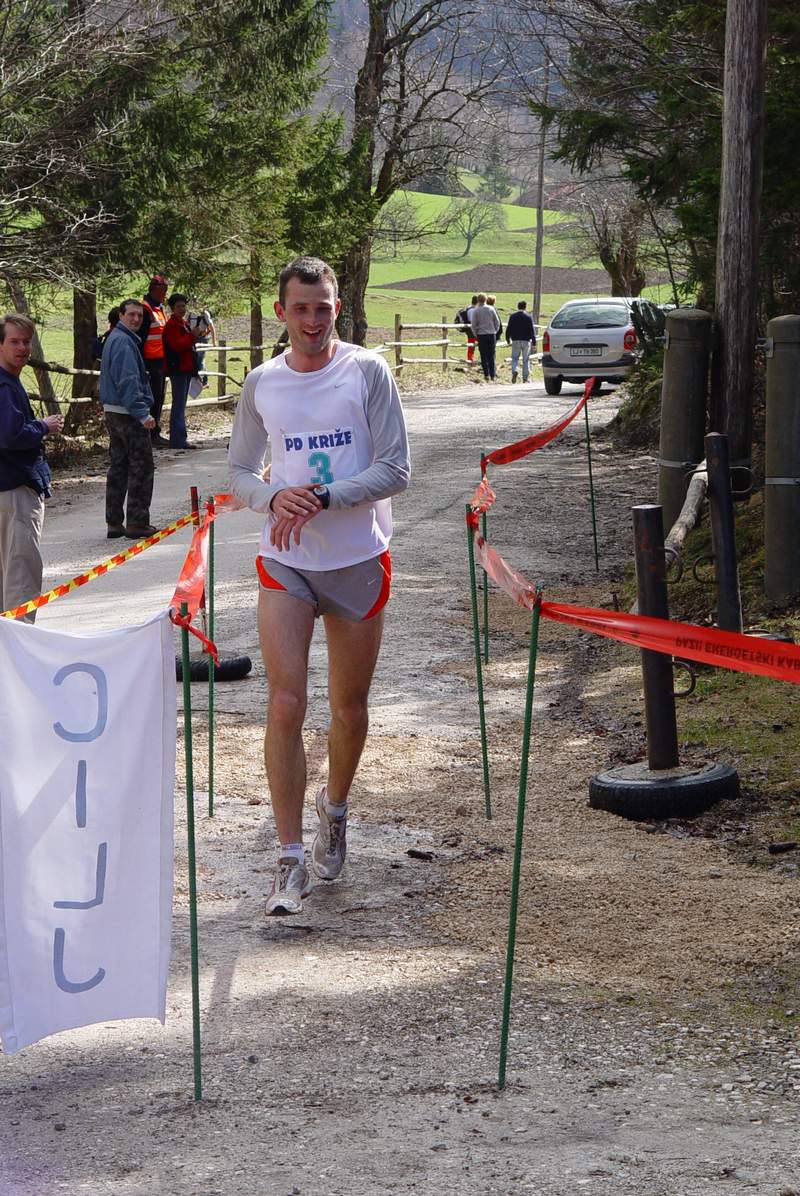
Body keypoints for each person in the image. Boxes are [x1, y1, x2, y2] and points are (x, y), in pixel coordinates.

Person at [228, 255, 410, 916]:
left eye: (323, 308)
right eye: (300, 309)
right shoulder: (262, 383)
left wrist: (325, 497)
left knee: (348, 709)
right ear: (281, 312)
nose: (312, 321)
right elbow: (239, 473)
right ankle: (289, 858)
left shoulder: (367, 371)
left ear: (338, 308)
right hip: (287, 562)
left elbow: (397, 469)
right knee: (284, 702)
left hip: (358, 558)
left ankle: (334, 810)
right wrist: (274, 497)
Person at [0, 314, 64, 620]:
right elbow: (10, 435)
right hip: (15, 491)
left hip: (10, 488)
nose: (22, 348)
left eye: (26, 342)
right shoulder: (4, 386)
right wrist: (43, 426)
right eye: (14, 341)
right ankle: (20, 643)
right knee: (20, 576)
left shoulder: (9, 382)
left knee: (8, 574)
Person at [99, 299, 158, 539]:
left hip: (113, 411)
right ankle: (137, 522)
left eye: (140, 316)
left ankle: (114, 521)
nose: (136, 319)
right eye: (131, 314)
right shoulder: (124, 342)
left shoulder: (115, 338)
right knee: (141, 467)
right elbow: (128, 381)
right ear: (121, 315)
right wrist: (142, 413)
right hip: (128, 412)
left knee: (119, 465)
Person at [163, 293, 204, 449]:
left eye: (183, 306)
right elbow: (178, 345)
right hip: (178, 369)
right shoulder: (172, 325)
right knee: (179, 404)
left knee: (181, 404)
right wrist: (192, 336)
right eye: (179, 306)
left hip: (185, 368)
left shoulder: (183, 323)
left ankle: (179, 439)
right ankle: (178, 440)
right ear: (172, 308)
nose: (182, 309)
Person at [139, 273, 170, 447]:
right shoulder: (145, 309)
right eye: (162, 290)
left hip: (160, 361)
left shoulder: (160, 308)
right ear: (154, 290)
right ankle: (150, 434)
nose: (164, 294)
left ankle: (154, 432)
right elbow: (141, 338)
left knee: (159, 397)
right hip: (149, 362)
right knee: (151, 398)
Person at [470, 292, 501, 380]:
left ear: (478, 300)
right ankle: (492, 375)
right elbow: (497, 322)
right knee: (491, 355)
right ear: (485, 299)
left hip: (481, 335)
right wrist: (495, 331)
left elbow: (473, 324)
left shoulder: (476, 310)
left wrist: (476, 334)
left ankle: (486, 374)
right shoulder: (491, 309)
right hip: (491, 334)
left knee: (483, 355)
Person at [505, 300, 537, 383]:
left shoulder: (513, 316)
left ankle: (514, 370)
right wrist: (534, 343)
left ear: (518, 306)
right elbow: (532, 331)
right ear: (525, 307)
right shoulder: (528, 317)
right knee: (526, 359)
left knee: (515, 358)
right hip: (526, 341)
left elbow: (509, 328)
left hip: (515, 340)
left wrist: (507, 339)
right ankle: (525, 378)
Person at [189, 304, 216, 384]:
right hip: (193, 337)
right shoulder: (190, 313)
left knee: (200, 359)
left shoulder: (205, 314)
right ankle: (201, 380)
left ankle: (202, 382)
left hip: (202, 338)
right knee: (194, 359)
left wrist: (214, 341)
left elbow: (212, 327)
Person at [454, 295, 478, 364]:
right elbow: (472, 321)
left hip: (469, 330)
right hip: (473, 330)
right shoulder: (473, 310)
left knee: (471, 346)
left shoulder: (469, 308)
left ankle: (470, 360)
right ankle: (471, 360)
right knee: (476, 345)